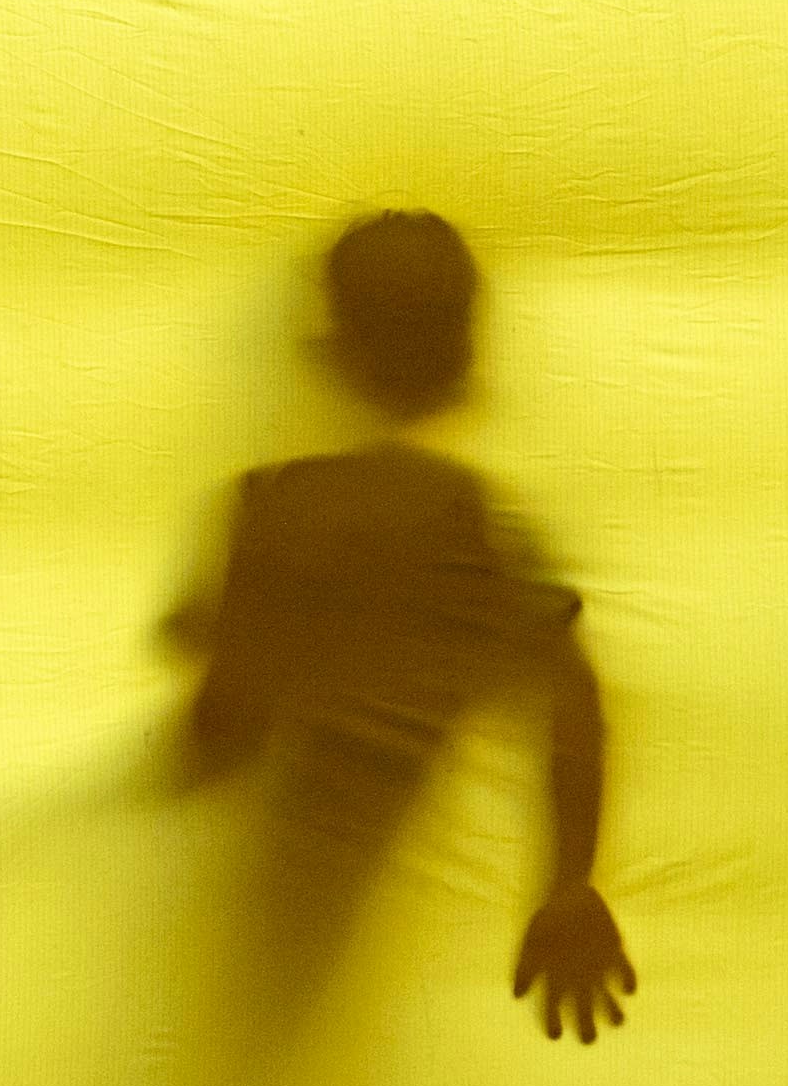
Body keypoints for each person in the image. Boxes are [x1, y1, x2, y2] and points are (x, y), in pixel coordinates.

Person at [165, 212, 636, 1043]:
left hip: (255, 924)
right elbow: (572, 697)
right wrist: (567, 884)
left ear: (330, 348)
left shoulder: (272, 507)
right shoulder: (480, 525)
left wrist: (210, 645)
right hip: (396, 942)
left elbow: (218, 736)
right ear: (469, 352)